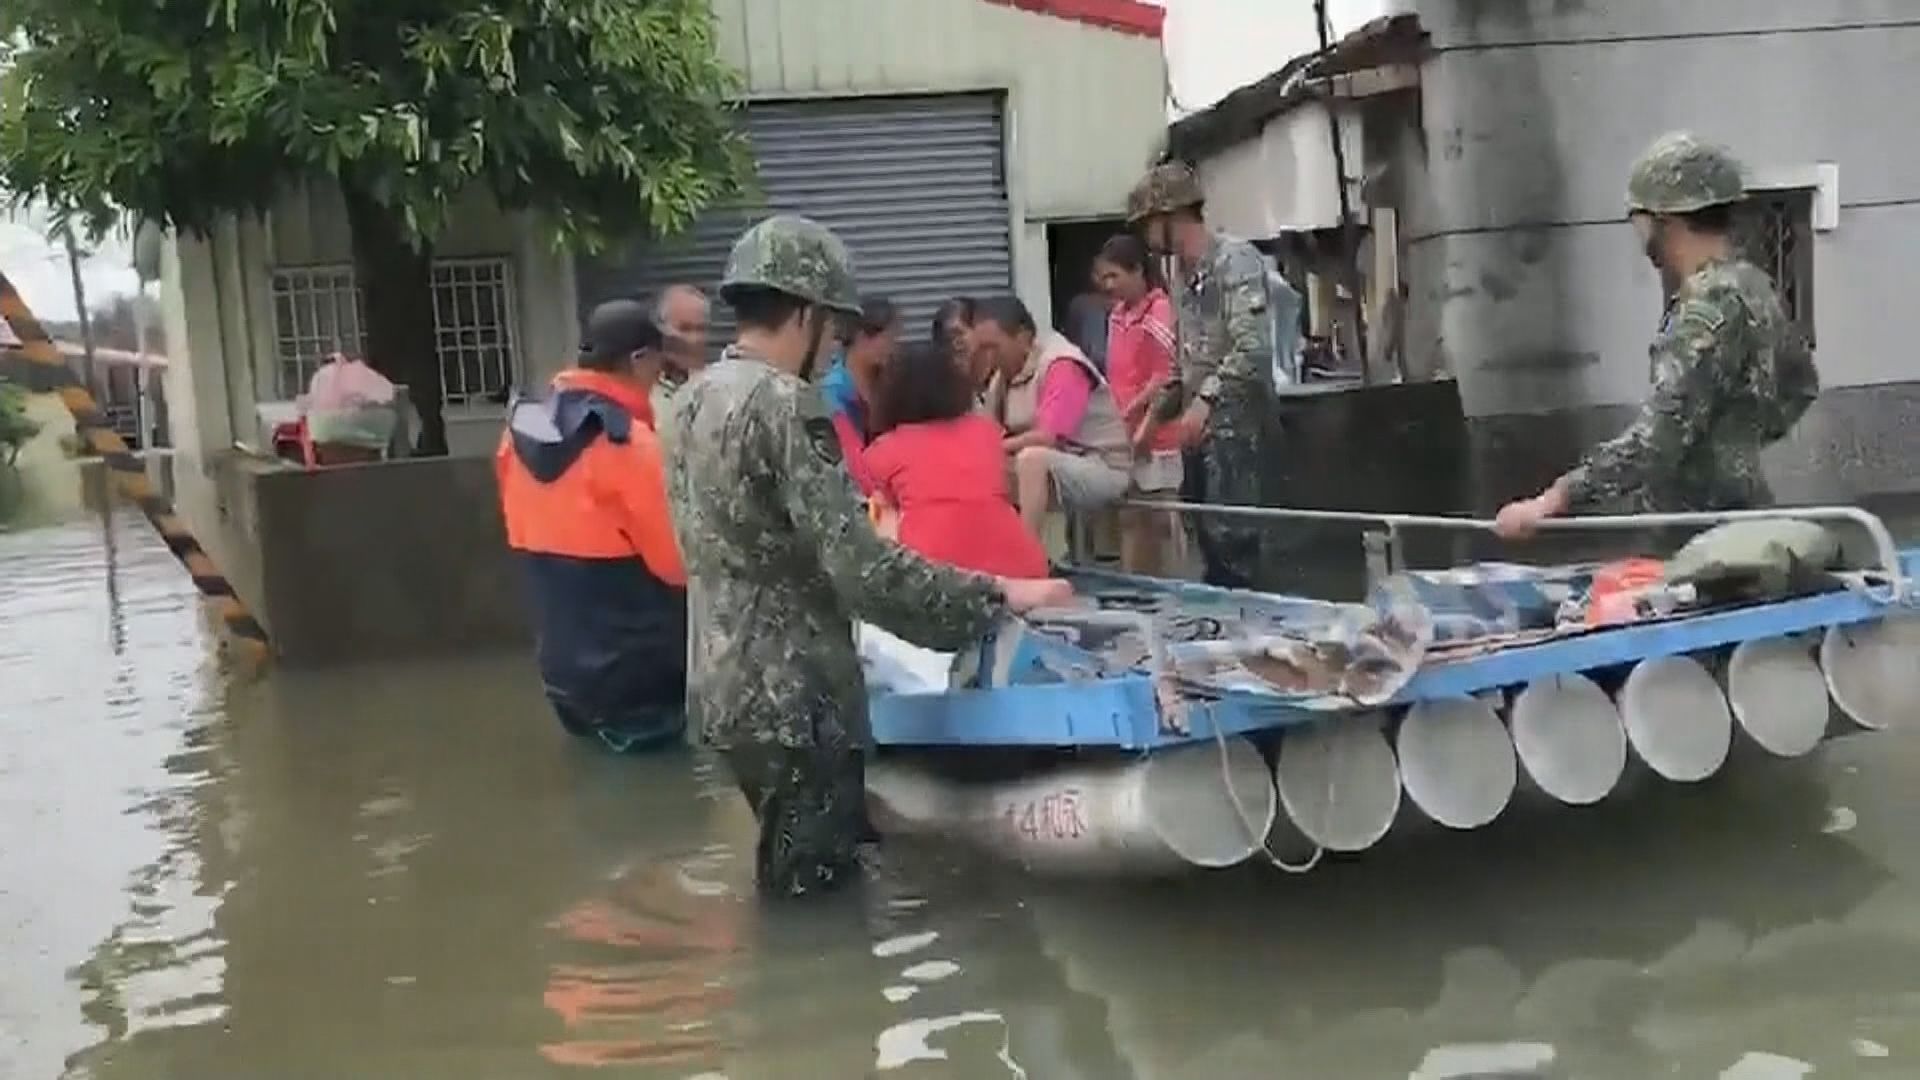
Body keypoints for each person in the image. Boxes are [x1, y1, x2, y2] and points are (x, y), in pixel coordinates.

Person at [660, 214, 1074, 899]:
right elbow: (863, 570)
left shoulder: (691, 399)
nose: (835, 353)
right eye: (836, 333)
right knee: (820, 914)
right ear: (807, 314)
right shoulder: (788, 406)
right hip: (799, 702)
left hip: (722, 689)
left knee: (785, 881)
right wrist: (998, 594)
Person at [1493, 132, 1820, 540]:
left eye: (1640, 223)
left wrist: (1552, 501)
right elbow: (1801, 386)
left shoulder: (1705, 310)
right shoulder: (1755, 286)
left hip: (1696, 531)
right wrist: (1736, 443)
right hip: (1745, 520)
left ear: (1664, 222)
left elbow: (1655, 443)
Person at [496, 300, 688, 754]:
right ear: (639, 360)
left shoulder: (518, 435)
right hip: (638, 679)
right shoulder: (632, 447)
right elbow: (678, 567)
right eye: (660, 365)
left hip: (562, 676)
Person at [1126, 160, 1278, 589]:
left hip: (1240, 432)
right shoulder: (1181, 278)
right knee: (1209, 543)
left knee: (1240, 548)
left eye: (1149, 225)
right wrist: (1155, 419)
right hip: (1200, 440)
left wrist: (1204, 402)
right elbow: (1183, 361)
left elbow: (1251, 348)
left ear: (1171, 216)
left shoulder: (1235, 261)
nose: (1147, 238)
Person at [865, 341, 1050, 579]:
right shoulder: (986, 433)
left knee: (879, 507)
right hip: (1022, 566)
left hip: (939, 576)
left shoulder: (884, 450)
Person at [973, 296, 1133, 541]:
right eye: (981, 348)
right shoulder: (1004, 376)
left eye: (992, 347)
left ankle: (1026, 554)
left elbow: (1047, 437)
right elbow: (986, 431)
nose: (987, 356)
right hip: (1062, 464)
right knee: (979, 467)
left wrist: (998, 447)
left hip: (1103, 466)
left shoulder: (1062, 364)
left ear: (1023, 338)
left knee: (1031, 459)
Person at [1094, 234, 1184, 575]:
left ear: (1136, 271)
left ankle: (1175, 588)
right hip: (1123, 432)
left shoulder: (1159, 311)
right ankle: (1138, 587)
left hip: (1156, 433)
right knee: (1131, 517)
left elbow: (1165, 375)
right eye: (1104, 278)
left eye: (1114, 275)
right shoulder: (1117, 315)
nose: (1108, 285)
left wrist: (1137, 413)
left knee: (1163, 520)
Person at [818, 296, 900, 495]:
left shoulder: (886, 383)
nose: (893, 347)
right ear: (863, 337)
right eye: (888, 339)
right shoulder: (833, 391)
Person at [649, 284, 712, 423]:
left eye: (701, 329)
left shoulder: (716, 389)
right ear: (659, 330)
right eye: (685, 329)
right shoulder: (642, 389)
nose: (695, 339)